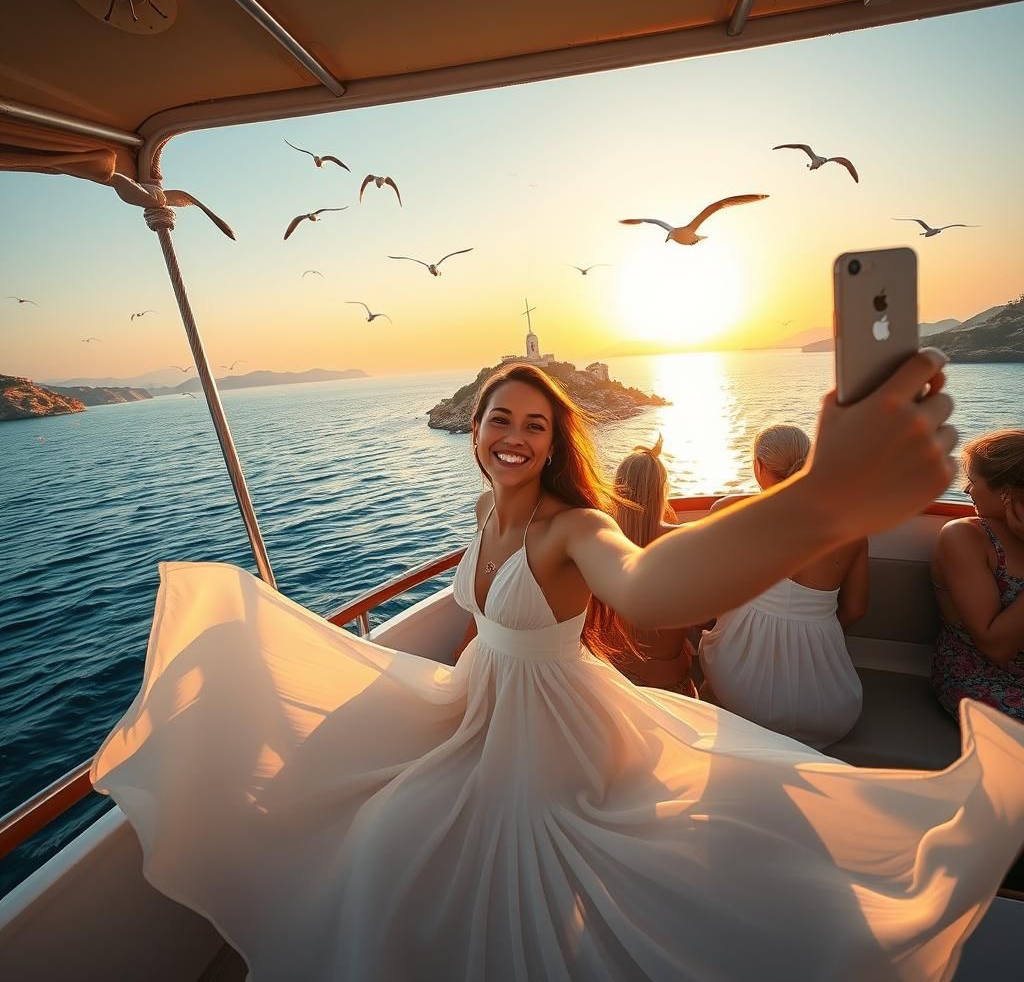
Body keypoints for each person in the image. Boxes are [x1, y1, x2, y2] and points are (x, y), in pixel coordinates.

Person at [91, 354, 1024, 982]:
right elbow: (484, 634)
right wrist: (452, 694)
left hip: (553, 733)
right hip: (483, 710)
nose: (515, 435)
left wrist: (821, 499)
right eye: (499, 417)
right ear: (475, 428)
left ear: (555, 441)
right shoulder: (484, 514)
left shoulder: (575, 527)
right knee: (375, 830)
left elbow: (649, 587)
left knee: (491, 869)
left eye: (535, 425)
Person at [699, 424, 868, 748]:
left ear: (758, 466)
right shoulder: (853, 529)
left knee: (713, 670)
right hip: (829, 710)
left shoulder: (727, 512)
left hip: (743, 694)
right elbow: (857, 609)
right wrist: (812, 631)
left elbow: (707, 593)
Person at [931, 429, 1024, 721]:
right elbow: (996, 647)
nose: (966, 491)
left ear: (1008, 492)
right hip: (984, 678)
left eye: (973, 481)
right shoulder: (964, 536)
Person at [608, 435, 698, 695]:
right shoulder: (685, 540)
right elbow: (705, 616)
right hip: (670, 684)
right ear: (662, 490)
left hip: (615, 682)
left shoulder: (597, 541)